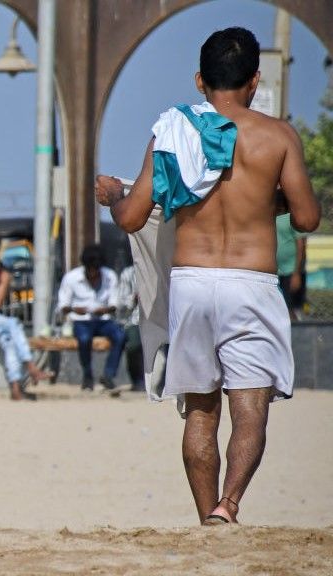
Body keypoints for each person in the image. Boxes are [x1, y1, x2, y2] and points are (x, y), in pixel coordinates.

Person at [95, 27, 319, 525]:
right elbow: (307, 219)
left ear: (200, 80)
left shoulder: (173, 132)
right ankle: (229, 505)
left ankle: (206, 519)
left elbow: (131, 217)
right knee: (250, 406)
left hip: (191, 282)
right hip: (250, 283)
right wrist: (266, 198)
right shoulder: (278, 136)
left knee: (200, 408)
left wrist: (112, 194)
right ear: (255, 81)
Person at [0, 231, 53, 400]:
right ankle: (31, 366)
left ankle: (15, 388)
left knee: (9, 342)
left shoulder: (3, 274)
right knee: (12, 323)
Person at [55, 244, 125, 392]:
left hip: (103, 320)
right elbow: (63, 305)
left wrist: (105, 309)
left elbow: (114, 304)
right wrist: (75, 309)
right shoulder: (71, 278)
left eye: (96, 270)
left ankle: (108, 375)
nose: (93, 273)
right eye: (90, 269)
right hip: (81, 321)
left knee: (120, 336)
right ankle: (87, 376)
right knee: (84, 339)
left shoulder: (109, 276)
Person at [116, 262, 146, 393]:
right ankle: (138, 381)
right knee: (133, 345)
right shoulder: (128, 273)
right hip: (135, 319)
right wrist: (133, 299)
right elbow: (121, 303)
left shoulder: (162, 268)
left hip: (163, 318)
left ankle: (164, 384)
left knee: (170, 348)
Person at [276, 210, 308, 320]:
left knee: (290, 310)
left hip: (291, 272)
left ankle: (297, 335)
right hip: (275, 273)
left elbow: (301, 245)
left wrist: (296, 274)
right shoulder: (269, 216)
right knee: (277, 310)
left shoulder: (293, 218)